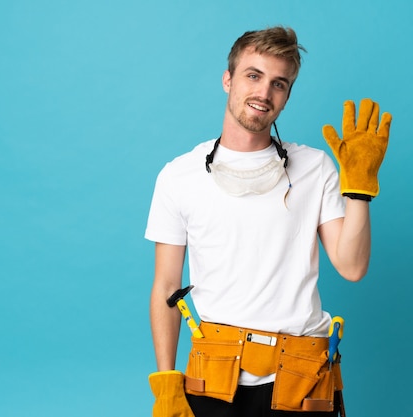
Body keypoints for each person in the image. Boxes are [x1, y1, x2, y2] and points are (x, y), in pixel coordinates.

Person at [145, 26, 392, 417]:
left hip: (300, 376)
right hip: (213, 378)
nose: (264, 93)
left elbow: (352, 266)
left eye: (279, 83)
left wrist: (359, 191)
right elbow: (166, 286)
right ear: (228, 79)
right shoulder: (179, 176)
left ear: (287, 95)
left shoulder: (315, 167)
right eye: (253, 76)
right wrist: (166, 383)